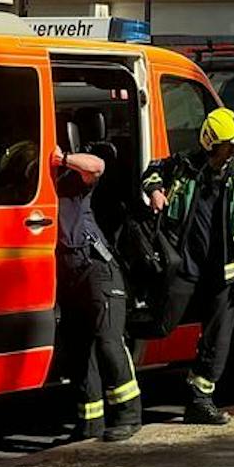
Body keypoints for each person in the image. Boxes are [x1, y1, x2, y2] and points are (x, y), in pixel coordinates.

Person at [143, 107, 234, 424]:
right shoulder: (183, 167)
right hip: (184, 267)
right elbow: (151, 171)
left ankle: (200, 399)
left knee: (218, 337)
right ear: (210, 143)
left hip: (222, 272)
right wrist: (155, 190)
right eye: (228, 146)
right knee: (161, 324)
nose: (233, 151)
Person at [52, 144, 140, 443]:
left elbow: (97, 166)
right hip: (69, 274)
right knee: (79, 350)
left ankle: (129, 416)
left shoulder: (71, 179)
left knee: (108, 342)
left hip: (97, 269)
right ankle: (90, 422)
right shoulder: (42, 188)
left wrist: (62, 158)